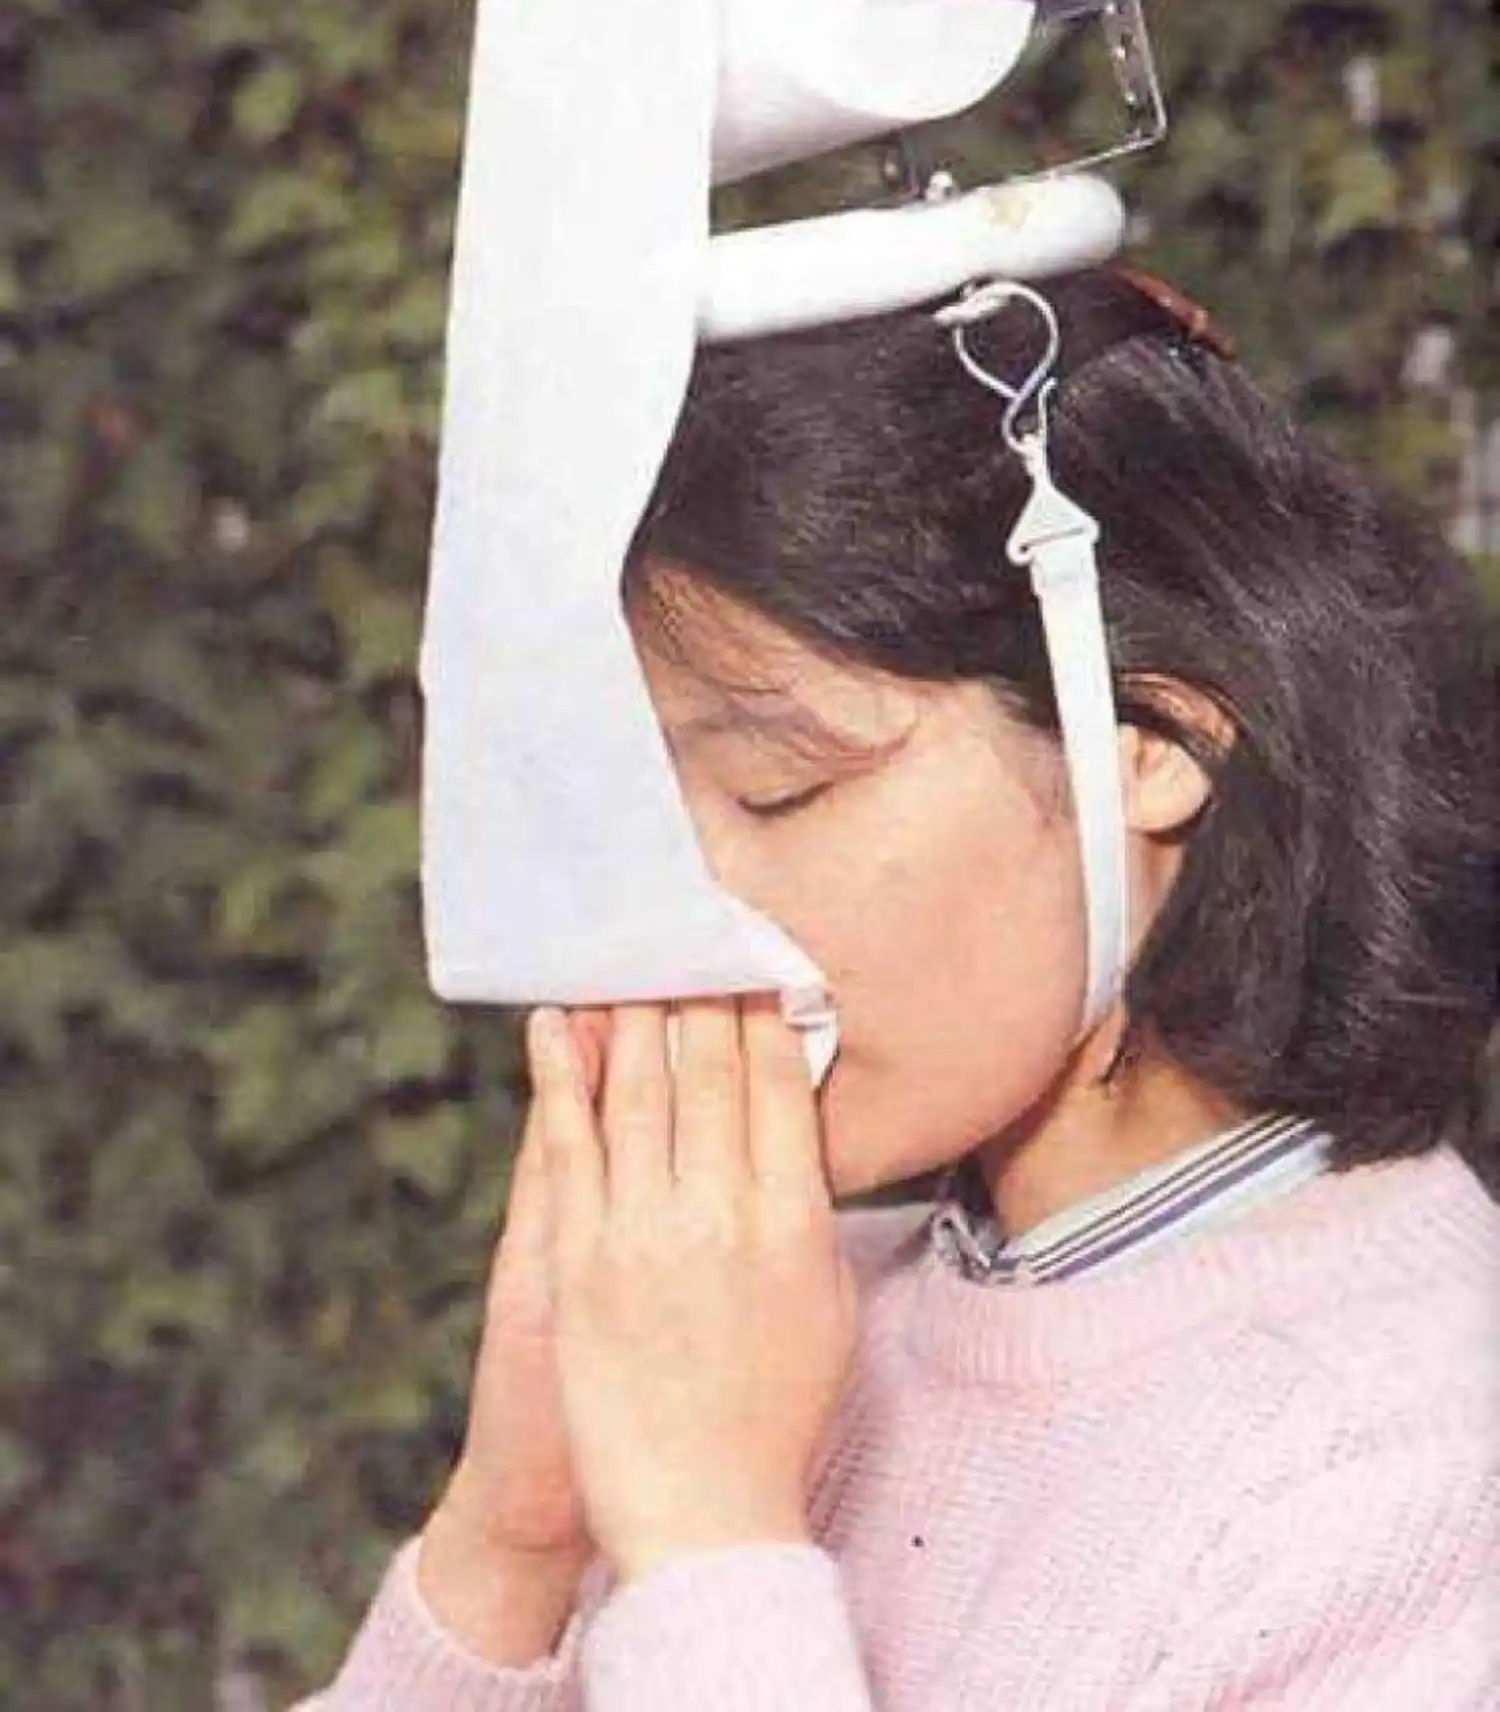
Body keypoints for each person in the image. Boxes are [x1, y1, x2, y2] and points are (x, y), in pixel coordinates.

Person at [296, 263, 1498, 1709]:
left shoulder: (1420, 1470)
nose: (684, 915)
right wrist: (513, 1537)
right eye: (651, 819)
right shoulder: (794, 1323)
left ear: (1154, 745)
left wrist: (708, 1538)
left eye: (780, 790)